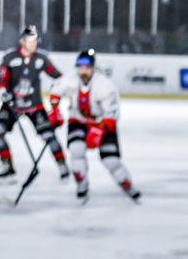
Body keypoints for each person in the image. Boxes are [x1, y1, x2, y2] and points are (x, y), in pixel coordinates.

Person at [48, 49, 140, 203]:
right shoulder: (70, 80)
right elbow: (55, 93)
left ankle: (127, 185)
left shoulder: (104, 85)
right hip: (78, 122)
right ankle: (82, 183)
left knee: (111, 161)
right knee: (76, 149)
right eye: (80, 67)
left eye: (87, 67)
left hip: (102, 123)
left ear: (93, 67)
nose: (83, 71)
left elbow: (111, 114)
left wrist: (99, 130)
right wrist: (55, 111)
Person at [0, 25, 68, 181]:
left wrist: (59, 87)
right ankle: (7, 165)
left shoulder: (40, 59)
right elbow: (2, 80)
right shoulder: (10, 58)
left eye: (35, 41)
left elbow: (59, 77)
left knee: (49, 135)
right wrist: (2, 92)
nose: (33, 44)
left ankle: (62, 165)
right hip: (12, 106)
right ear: (22, 41)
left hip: (35, 107)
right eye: (30, 41)